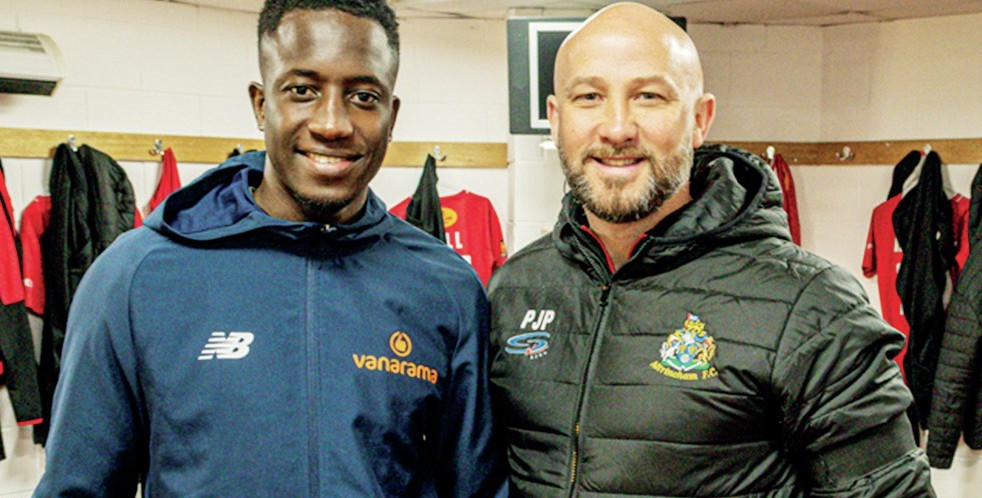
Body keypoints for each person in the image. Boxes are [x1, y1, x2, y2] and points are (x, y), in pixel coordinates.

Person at [33, 1, 505, 496]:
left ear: (392, 115)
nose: (333, 123)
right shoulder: (135, 277)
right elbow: (76, 488)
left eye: (364, 96)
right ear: (261, 105)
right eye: (303, 90)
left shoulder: (445, 288)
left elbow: (477, 489)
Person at [487, 3, 935, 497]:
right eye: (589, 97)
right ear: (555, 119)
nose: (617, 128)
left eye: (649, 96)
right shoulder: (514, 289)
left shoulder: (814, 307)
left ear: (700, 119)